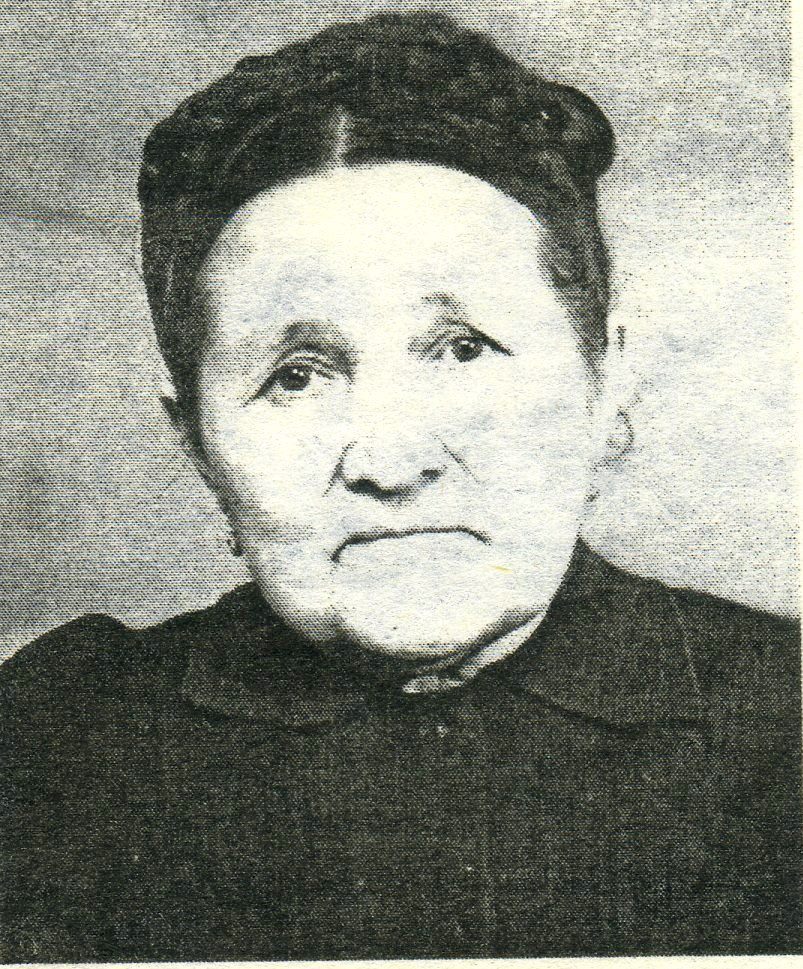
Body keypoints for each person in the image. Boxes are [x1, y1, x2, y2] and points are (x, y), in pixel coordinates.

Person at [1, 11, 800, 962]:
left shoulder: (782, 720)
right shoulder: (59, 741)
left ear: (604, 383)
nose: (389, 461)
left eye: (462, 348)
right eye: (296, 374)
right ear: (197, 443)